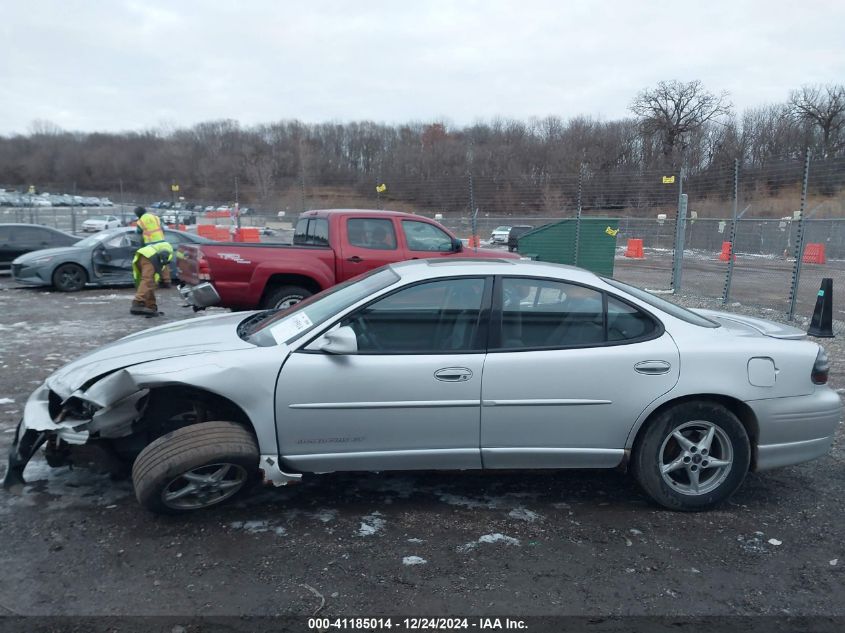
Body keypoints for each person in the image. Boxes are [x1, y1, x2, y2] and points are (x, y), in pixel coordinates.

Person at [130, 206, 173, 317]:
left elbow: (138, 237)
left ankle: (150, 306)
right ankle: (138, 301)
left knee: (149, 281)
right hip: (150, 253)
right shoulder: (156, 218)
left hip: (143, 252)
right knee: (148, 280)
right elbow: (165, 264)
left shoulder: (140, 221)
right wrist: (166, 281)